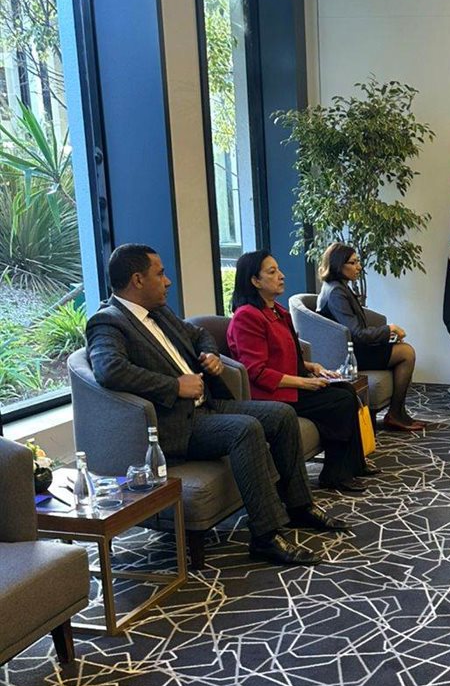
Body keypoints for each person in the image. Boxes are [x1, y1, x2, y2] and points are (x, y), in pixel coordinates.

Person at [86, 245, 342, 567]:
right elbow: (110, 369)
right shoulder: (107, 322)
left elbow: (200, 334)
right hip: (175, 423)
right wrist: (174, 385)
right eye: (160, 274)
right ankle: (265, 536)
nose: (167, 281)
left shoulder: (159, 312)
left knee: (281, 414)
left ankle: (299, 506)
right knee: (245, 429)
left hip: (207, 405)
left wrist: (209, 354)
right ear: (137, 280)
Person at [226, 251, 370, 495]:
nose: (281, 276)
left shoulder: (277, 311)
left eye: (278, 270)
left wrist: (310, 367)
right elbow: (256, 372)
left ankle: (353, 466)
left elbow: (286, 353)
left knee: (346, 389)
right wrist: (304, 383)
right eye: (272, 272)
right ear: (255, 281)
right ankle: (335, 474)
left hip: (290, 384)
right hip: (271, 394)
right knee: (340, 400)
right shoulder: (246, 317)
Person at [316, 243, 424, 433]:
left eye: (358, 262)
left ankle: (398, 412)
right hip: (349, 355)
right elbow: (357, 333)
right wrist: (388, 329)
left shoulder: (338, 287)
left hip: (353, 347)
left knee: (403, 349)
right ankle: (396, 414)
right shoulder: (336, 293)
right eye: (353, 263)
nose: (359, 267)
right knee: (406, 353)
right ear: (338, 265)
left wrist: (385, 335)